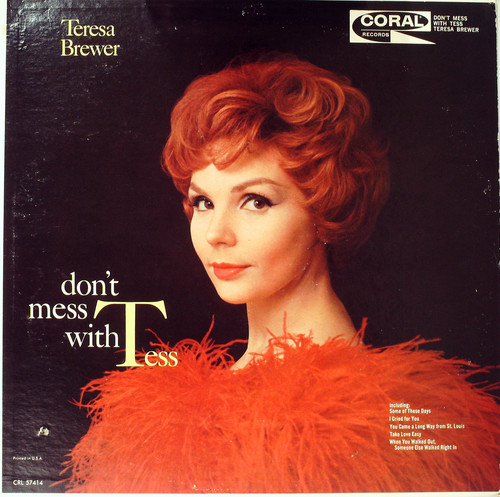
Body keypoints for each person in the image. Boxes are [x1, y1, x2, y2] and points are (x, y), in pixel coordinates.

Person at [63, 55, 499, 493]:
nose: (216, 234)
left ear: (326, 208)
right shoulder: (161, 413)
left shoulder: (389, 421)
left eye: (256, 201)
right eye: (204, 203)